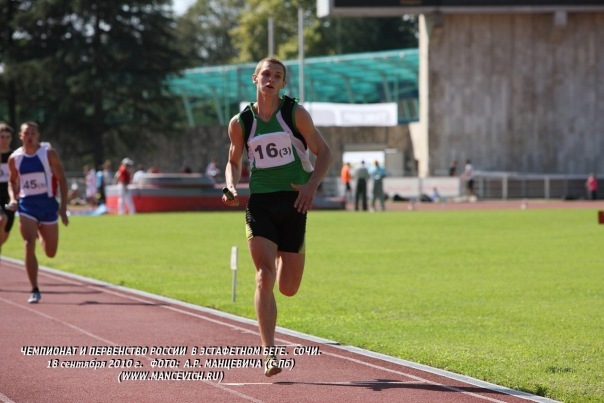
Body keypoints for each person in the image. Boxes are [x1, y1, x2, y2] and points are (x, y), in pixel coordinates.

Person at [221, 57, 332, 377]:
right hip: (261, 203)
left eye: (277, 76)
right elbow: (233, 161)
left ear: (283, 83)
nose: (270, 79)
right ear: (255, 78)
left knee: (288, 288)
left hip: (295, 202)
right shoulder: (241, 122)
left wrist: (311, 185)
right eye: (266, 74)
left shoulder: (295, 114)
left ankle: (285, 252)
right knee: (263, 275)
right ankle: (269, 352)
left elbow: (324, 152)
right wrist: (231, 185)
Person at [7, 122, 69, 304]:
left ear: (38, 135)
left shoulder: (48, 154)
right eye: (26, 133)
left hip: (48, 205)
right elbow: (12, 181)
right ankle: (34, 288)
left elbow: (62, 179)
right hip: (27, 205)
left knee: (50, 252)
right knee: (28, 243)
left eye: (33, 133)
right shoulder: (15, 158)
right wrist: (13, 198)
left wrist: (63, 208)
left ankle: (40, 232)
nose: (30, 137)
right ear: (20, 136)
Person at [0, 123, 16, 247]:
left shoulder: (15, 157)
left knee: (4, 235)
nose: (4, 140)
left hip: (10, 198)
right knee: (2, 219)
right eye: (1, 137)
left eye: (7, 137)